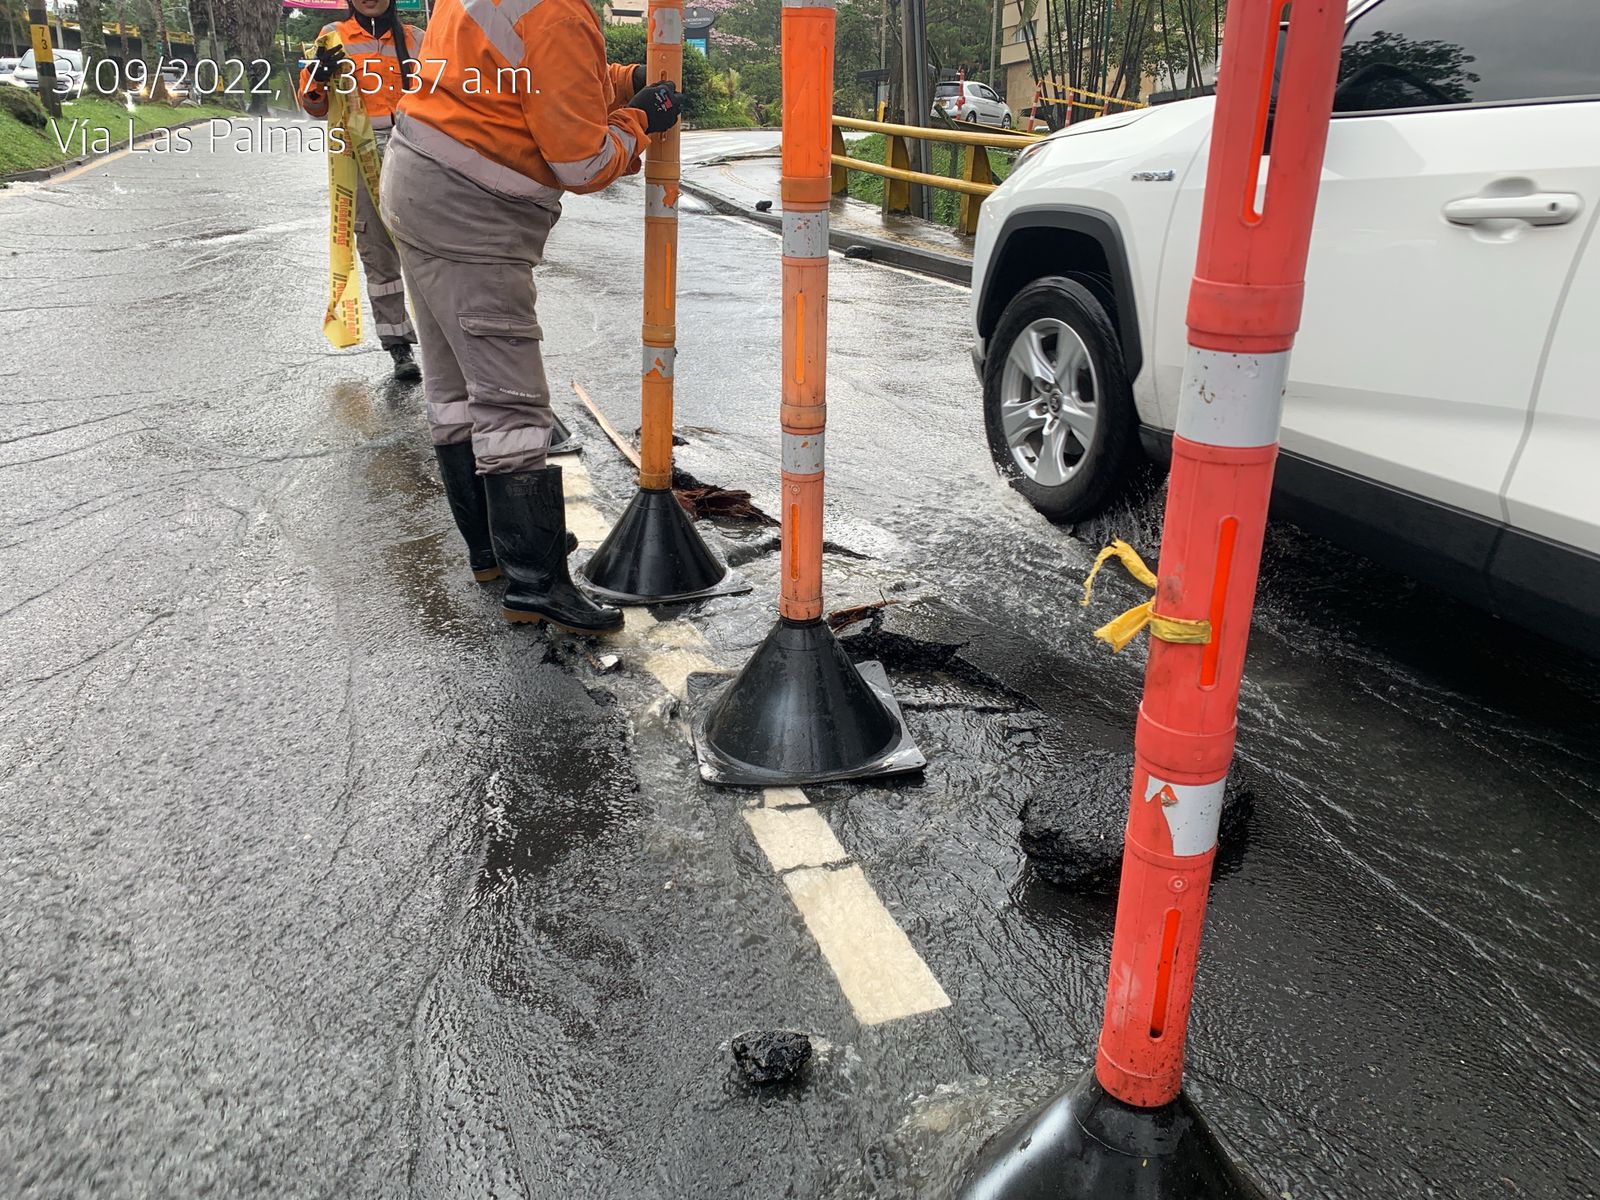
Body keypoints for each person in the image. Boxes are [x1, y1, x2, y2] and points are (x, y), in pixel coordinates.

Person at [379, 0, 682, 635]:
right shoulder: (559, 14)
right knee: (512, 401)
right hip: (473, 216)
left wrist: (622, 83)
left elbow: (528, 77)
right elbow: (583, 161)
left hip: (419, 183)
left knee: (454, 387)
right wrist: (641, 122)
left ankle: (493, 551)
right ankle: (535, 582)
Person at [299, 0, 425, 382]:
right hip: (360, 152)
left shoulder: (417, 39)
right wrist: (319, 77)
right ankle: (398, 344)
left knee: (428, 244)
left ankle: (444, 336)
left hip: (414, 150)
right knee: (377, 250)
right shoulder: (332, 38)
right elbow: (312, 105)